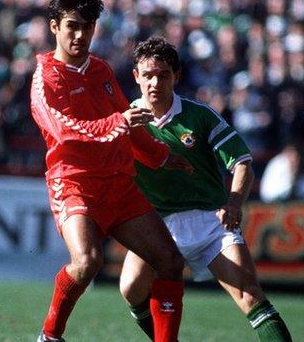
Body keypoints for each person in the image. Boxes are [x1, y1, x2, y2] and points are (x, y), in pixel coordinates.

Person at [29, 0, 192, 341]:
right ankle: (50, 336)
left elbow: (131, 124)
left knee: (170, 262)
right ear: (54, 27)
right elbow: (64, 131)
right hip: (74, 184)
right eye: (72, 26)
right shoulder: (46, 78)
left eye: (87, 27)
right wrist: (117, 122)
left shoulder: (101, 69)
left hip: (119, 185)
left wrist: (161, 155)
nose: (79, 35)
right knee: (87, 261)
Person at [119, 37, 292, 342]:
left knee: (250, 296)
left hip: (211, 223)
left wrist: (235, 203)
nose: (155, 82)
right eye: (147, 75)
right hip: (157, 225)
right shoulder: (126, 121)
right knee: (131, 288)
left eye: (163, 74)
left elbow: (242, 163)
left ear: (177, 76)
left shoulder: (199, 116)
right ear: (136, 76)